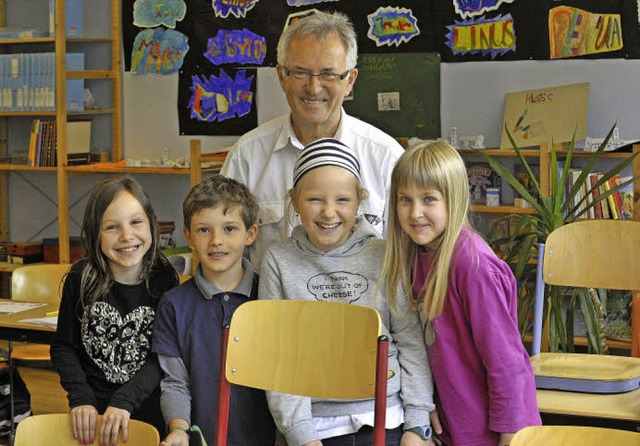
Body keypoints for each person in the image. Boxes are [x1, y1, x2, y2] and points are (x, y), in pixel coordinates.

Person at [259, 138, 434, 446]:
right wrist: (301, 434)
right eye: (315, 199)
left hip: (388, 418)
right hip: (314, 427)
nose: (329, 212)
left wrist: (417, 424)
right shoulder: (278, 259)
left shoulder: (386, 254)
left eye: (342, 200)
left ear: (359, 201)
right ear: (294, 200)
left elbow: (410, 341)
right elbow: (277, 355)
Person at [381, 142, 541, 446]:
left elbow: (506, 361)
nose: (415, 213)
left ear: (453, 200)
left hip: (492, 432)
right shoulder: (417, 253)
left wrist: (512, 435)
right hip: (451, 425)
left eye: (429, 199)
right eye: (405, 199)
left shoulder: (473, 265)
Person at [222, 11, 404, 270]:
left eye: (329, 74)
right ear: (282, 77)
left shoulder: (387, 158)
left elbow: (408, 259)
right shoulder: (248, 156)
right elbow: (223, 252)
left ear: (350, 80)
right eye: (300, 72)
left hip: (363, 310)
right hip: (272, 309)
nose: (314, 87)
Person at [50, 176, 179, 446]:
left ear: (152, 224)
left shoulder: (164, 279)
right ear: (95, 232)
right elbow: (64, 347)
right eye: (111, 227)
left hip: (144, 415)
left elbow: (163, 355)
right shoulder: (80, 278)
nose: (126, 236)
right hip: (89, 419)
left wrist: (124, 401)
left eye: (136, 222)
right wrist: (80, 399)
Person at [153, 175, 276, 446]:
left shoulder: (270, 296)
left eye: (229, 229)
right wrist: (178, 429)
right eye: (204, 230)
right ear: (188, 236)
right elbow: (175, 382)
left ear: (250, 233)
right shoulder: (173, 304)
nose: (216, 240)